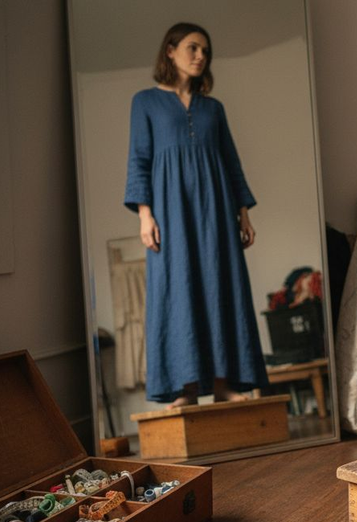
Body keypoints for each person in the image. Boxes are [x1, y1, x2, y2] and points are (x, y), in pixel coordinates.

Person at [124, 22, 268, 408]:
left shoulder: (213, 109)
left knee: (221, 285)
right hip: (170, 214)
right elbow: (140, 161)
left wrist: (243, 214)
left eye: (205, 50)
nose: (201, 55)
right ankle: (186, 389)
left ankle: (223, 384)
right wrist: (144, 215)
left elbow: (232, 162)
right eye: (192, 47)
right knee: (178, 291)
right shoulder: (146, 103)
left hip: (217, 211)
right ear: (170, 51)